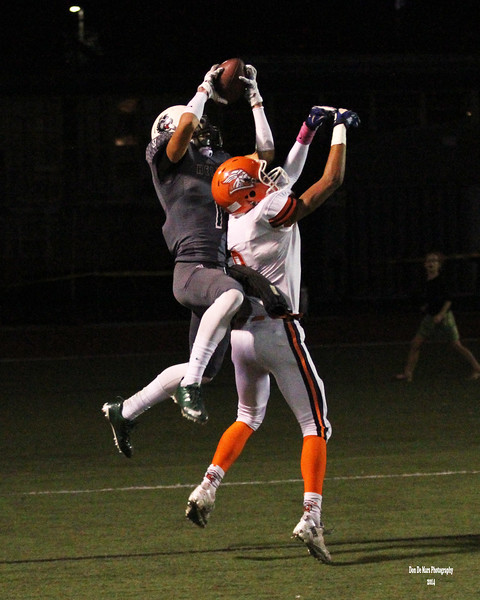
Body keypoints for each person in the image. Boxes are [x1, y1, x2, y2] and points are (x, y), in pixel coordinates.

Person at [185, 105, 360, 563]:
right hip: (279, 331)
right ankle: (311, 515)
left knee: (247, 417)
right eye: (256, 172)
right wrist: (341, 129)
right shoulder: (266, 207)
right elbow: (328, 184)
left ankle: (206, 488)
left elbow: (285, 174)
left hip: (242, 335)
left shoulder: (234, 221)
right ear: (248, 188)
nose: (265, 169)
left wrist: (309, 128)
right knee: (315, 424)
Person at [102, 63, 275, 457]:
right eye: (192, 122)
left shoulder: (215, 162)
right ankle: (189, 386)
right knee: (231, 297)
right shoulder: (165, 158)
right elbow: (180, 135)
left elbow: (263, 157)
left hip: (214, 272)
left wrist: (255, 100)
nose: (201, 126)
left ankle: (126, 410)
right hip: (192, 269)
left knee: (208, 365)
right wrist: (201, 89)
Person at [395, 251, 480, 382]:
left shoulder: (441, 281)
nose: (431, 263)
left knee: (457, 345)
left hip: (445, 317)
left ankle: (477, 368)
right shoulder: (425, 282)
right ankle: (408, 374)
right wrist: (425, 307)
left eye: (434, 261)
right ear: (424, 264)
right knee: (415, 344)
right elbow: (425, 299)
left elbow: (448, 299)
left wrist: (441, 314)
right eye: (429, 261)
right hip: (431, 317)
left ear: (439, 265)